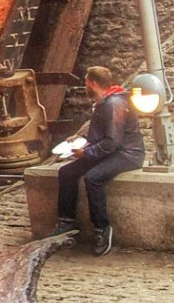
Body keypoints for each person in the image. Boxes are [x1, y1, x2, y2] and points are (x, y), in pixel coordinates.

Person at [52, 65, 145, 256]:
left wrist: (85, 153)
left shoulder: (113, 104)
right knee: (66, 172)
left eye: (86, 82)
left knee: (93, 177)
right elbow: (102, 134)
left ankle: (102, 228)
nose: (85, 85)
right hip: (112, 150)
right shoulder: (105, 102)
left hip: (128, 154)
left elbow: (112, 142)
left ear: (93, 84)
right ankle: (66, 222)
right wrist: (81, 139)